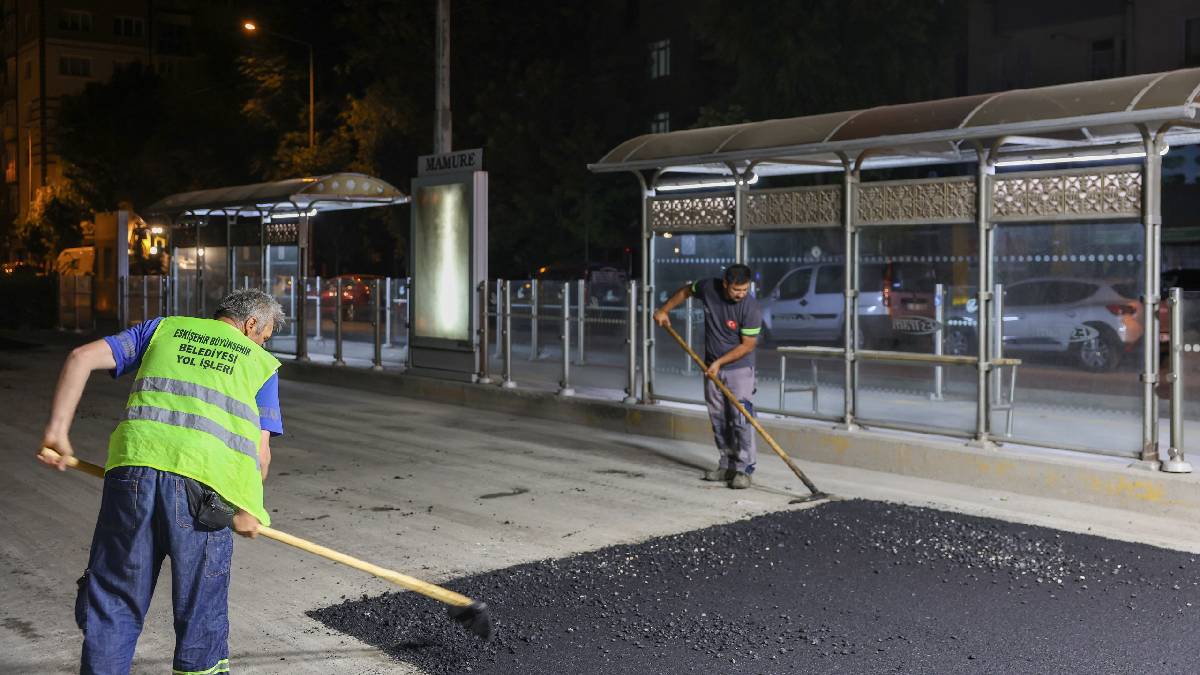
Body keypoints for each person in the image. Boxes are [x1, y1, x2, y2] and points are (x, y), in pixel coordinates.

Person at [38, 289, 286, 675]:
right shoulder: (260, 363)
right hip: (205, 493)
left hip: (131, 474)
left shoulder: (162, 329)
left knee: (115, 602)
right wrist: (247, 507)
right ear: (252, 324)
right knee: (200, 612)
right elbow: (260, 454)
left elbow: (80, 357)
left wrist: (57, 432)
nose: (264, 343)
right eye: (265, 335)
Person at [654, 264, 762, 489]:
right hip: (712, 367)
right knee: (718, 418)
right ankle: (726, 465)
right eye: (736, 290)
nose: (741, 294)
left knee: (741, 418)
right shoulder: (708, 288)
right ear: (725, 284)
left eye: (745, 290)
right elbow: (686, 291)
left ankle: (744, 469)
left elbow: (747, 346)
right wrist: (664, 310)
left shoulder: (750, 308)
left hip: (739, 370)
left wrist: (719, 363)